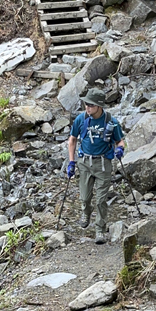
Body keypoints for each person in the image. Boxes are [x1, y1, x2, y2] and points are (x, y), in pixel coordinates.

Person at [67, 88, 125, 244]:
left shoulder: (111, 122)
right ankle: (86, 213)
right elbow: (72, 140)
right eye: (86, 104)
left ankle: (100, 230)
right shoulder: (81, 119)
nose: (88, 107)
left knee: (100, 200)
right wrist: (71, 162)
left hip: (103, 164)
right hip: (84, 163)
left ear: (99, 106)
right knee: (85, 197)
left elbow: (120, 140)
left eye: (91, 105)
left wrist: (120, 149)